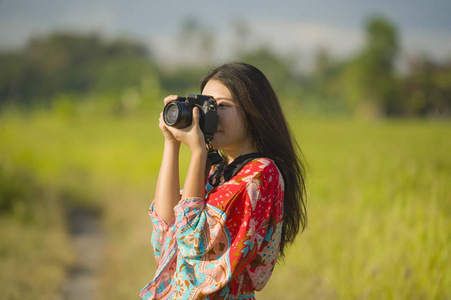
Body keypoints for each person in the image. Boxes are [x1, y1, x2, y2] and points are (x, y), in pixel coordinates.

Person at [140, 62, 307, 300]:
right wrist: (171, 143)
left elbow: (193, 244)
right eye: (205, 106)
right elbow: (166, 233)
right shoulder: (219, 170)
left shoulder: (260, 175)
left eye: (221, 106)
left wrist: (198, 153)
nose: (210, 116)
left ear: (253, 111)